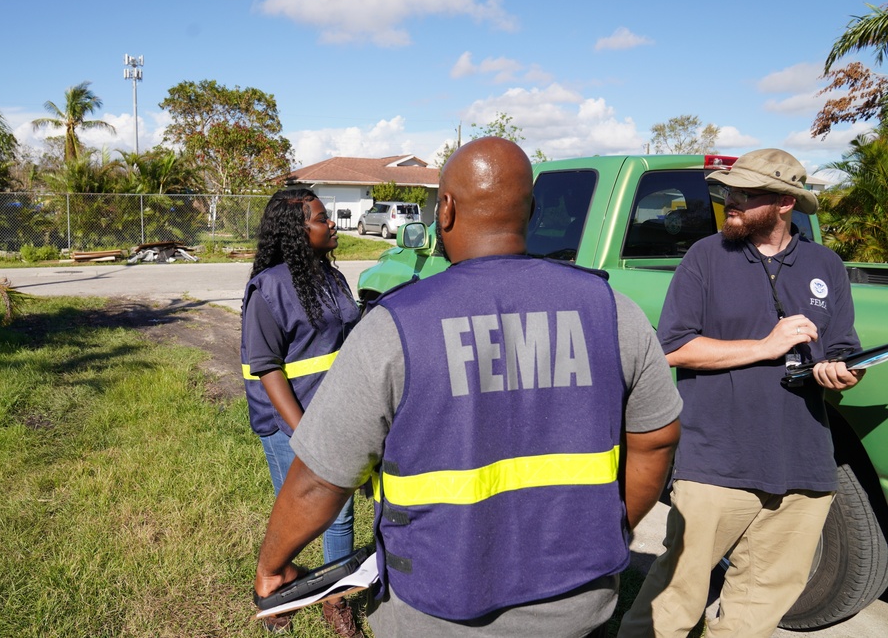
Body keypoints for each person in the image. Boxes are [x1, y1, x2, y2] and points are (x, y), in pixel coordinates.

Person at [253, 137, 682, 637]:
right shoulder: (613, 310)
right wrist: (615, 526)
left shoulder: (396, 326)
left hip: (438, 608)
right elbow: (657, 438)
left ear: (447, 210)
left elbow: (320, 479)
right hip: (578, 603)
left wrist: (273, 566)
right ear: (532, 211)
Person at [618, 148, 866, 638]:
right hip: (717, 463)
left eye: (745, 194)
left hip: (804, 467)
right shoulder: (705, 257)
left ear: (784, 204)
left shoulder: (826, 265)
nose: (729, 200)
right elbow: (674, 347)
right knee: (671, 604)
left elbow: (841, 347)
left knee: (756, 613)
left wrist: (841, 371)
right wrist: (765, 346)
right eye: (726, 190)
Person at [241, 188, 362, 636]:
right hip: (291, 422)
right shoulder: (269, 288)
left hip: (337, 416)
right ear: (296, 231)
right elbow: (267, 368)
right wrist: (305, 433)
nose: (332, 224)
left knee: (339, 510)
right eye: (321, 218)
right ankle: (277, 596)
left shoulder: (332, 278)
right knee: (297, 515)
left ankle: (336, 598)